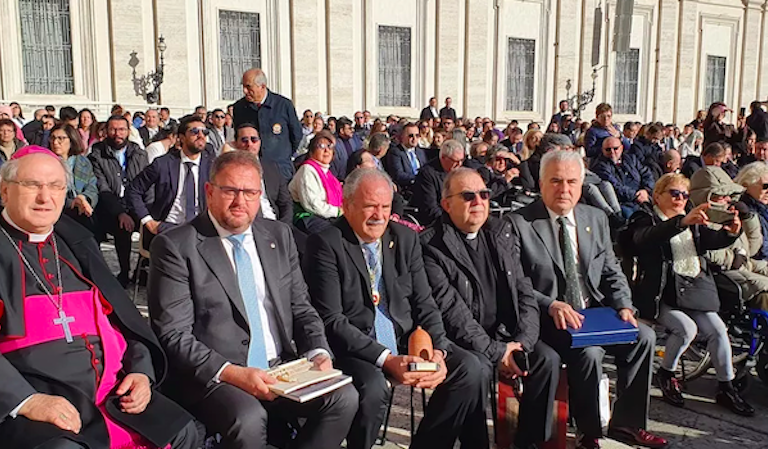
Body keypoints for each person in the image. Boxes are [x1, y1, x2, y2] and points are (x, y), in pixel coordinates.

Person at [148, 150, 358, 449]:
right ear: (209, 192)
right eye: (230, 191)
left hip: (282, 367)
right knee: (247, 419)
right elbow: (173, 334)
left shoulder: (278, 235)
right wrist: (235, 373)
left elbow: (301, 307)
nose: (240, 202)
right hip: (219, 373)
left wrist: (317, 352)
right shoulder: (176, 246)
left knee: (344, 398)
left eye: (249, 193)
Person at [0, 147, 197, 449]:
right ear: (4, 191)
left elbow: (125, 321)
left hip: (112, 392)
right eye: (31, 185)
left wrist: (141, 372)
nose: (45, 197)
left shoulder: (78, 241)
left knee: (184, 431)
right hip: (33, 395)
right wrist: (25, 400)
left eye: (55, 186)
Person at [303, 168, 489, 449]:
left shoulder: (404, 238)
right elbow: (333, 320)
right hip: (357, 349)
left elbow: (425, 302)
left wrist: (438, 350)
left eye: (385, 207)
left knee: (469, 368)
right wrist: (386, 359)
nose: (379, 215)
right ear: (347, 205)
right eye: (370, 206)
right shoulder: (326, 243)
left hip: (404, 340)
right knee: (374, 388)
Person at [506, 150, 668, 449]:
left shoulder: (595, 218)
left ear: (582, 184)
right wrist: (550, 304)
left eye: (571, 181)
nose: (564, 189)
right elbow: (516, 281)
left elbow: (611, 269)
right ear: (541, 183)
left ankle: (627, 425)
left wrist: (623, 304)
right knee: (590, 353)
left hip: (592, 314)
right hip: (548, 319)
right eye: (555, 181)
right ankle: (589, 433)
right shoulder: (520, 223)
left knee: (643, 335)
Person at [420, 168, 557, 448]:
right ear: (447, 204)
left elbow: (524, 291)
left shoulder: (500, 231)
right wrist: (497, 353)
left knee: (546, 360)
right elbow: (452, 311)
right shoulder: (431, 244)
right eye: (468, 196)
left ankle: (528, 443)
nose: (479, 202)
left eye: (484, 194)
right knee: (477, 368)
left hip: (505, 334)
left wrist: (522, 343)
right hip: (460, 340)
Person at [626, 173, 754, 416]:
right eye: (674, 193)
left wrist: (730, 233)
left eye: (685, 195)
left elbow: (710, 241)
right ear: (657, 195)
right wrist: (680, 223)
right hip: (661, 294)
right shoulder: (646, 217)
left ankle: (726, 386)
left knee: (718, 331)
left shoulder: (691, 218)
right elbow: (644, 238)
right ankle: (667, 373)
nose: (681, 199)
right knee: (687, 329)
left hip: (694, 289)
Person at [690, 166, 768, 310]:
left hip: (746, 265)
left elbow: (752, 248)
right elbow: (707, 251)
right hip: (723, 273)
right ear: (706, 197)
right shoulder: (699, 221)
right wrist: (734, 257)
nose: (728, 201)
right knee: (763, 287)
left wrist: (748, 219)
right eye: (722, 197)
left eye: (730, 196)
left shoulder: (729, 216)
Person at [126, 117, 214, 242]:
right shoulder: (163, 163)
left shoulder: (212, 166)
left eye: (204, 132)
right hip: (168, 228)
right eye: (194, 131)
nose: (200, 135)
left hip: (201, 230)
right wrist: (148, 221)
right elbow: (134, 190)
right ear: (182, 137)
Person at [89, 115, 149, 287]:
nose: (118, 134)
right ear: (106, 131)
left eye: (122, 129)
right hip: (111, 205)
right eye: (113, 129)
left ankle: (142, 270)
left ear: (128, 131)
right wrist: (120, 212)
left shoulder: (138, 153)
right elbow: (103, 188)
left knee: (151, 227)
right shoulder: (97, 154)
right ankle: (124, 272)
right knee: (122, 227)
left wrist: (146, 211)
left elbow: (145, 184)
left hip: (135, 203)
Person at [233, 68, 302, 180]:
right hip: (250, 169)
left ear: (262, 86)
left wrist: (282, 155)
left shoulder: (283, 105)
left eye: (249, 87)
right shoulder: (240, 108)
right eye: (243, 87)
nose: (245, 91)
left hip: (280, 170)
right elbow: (238, 136)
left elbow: (296, 135)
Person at [230, 123, 293, 223]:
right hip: (249, 225)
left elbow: (286, 202)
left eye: (254, 139)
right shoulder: (231, 171)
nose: (249, 144)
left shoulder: (271, 167)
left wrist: (284, 227)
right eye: (244, 140)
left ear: (259, 142)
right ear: (235, 144)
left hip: (276, 223)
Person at [288, 130, 343, 234]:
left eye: (329, 146)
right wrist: (338, 211)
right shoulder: (307, 170)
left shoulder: (328, 174)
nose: (326, 150)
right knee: (335, 234)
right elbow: (312, 205)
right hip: (307, 217)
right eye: (321, 146)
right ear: (312, 151)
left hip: (326, 216)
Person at [48, 124, 99, 231]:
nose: (55, 142)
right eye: (52, 138)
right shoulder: (47, 162)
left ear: (71, 140)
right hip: (60, 210)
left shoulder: (83, 161)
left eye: (61, 138)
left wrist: (84, 198)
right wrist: (73, 202)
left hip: (83, 207)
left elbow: (92, 185)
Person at [590, 136, 655, 218]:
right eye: (608, 149)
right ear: (602, 150)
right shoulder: (600, 166)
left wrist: (646, 190)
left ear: (621, 148)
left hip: (644, 196)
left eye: (615, 148)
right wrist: (636, 195)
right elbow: (615, 186)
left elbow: (646, 173)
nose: (612, 152)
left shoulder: (631, 159)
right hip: (623, 202)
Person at [412, 139, 467, 226]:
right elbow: (430, 208)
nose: (459, 164)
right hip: (438, 222)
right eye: (455, 161)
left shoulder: (460, 172)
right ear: (443, 158)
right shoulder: (427, 174)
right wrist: (453, 221)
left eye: (461, 160)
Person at [736, 162, 768, 260]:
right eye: (765, 186)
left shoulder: (763, 208)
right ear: (746, 186)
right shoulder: (743, 211)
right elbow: (757, 250)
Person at [383, 123, 429, 192]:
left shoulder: (420, 152)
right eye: (411, 136)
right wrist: (419, 178)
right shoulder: (395, 152)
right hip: (406, 190)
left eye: (417, 135)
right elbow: (398, 175)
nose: (414, 139)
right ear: (402, 136)